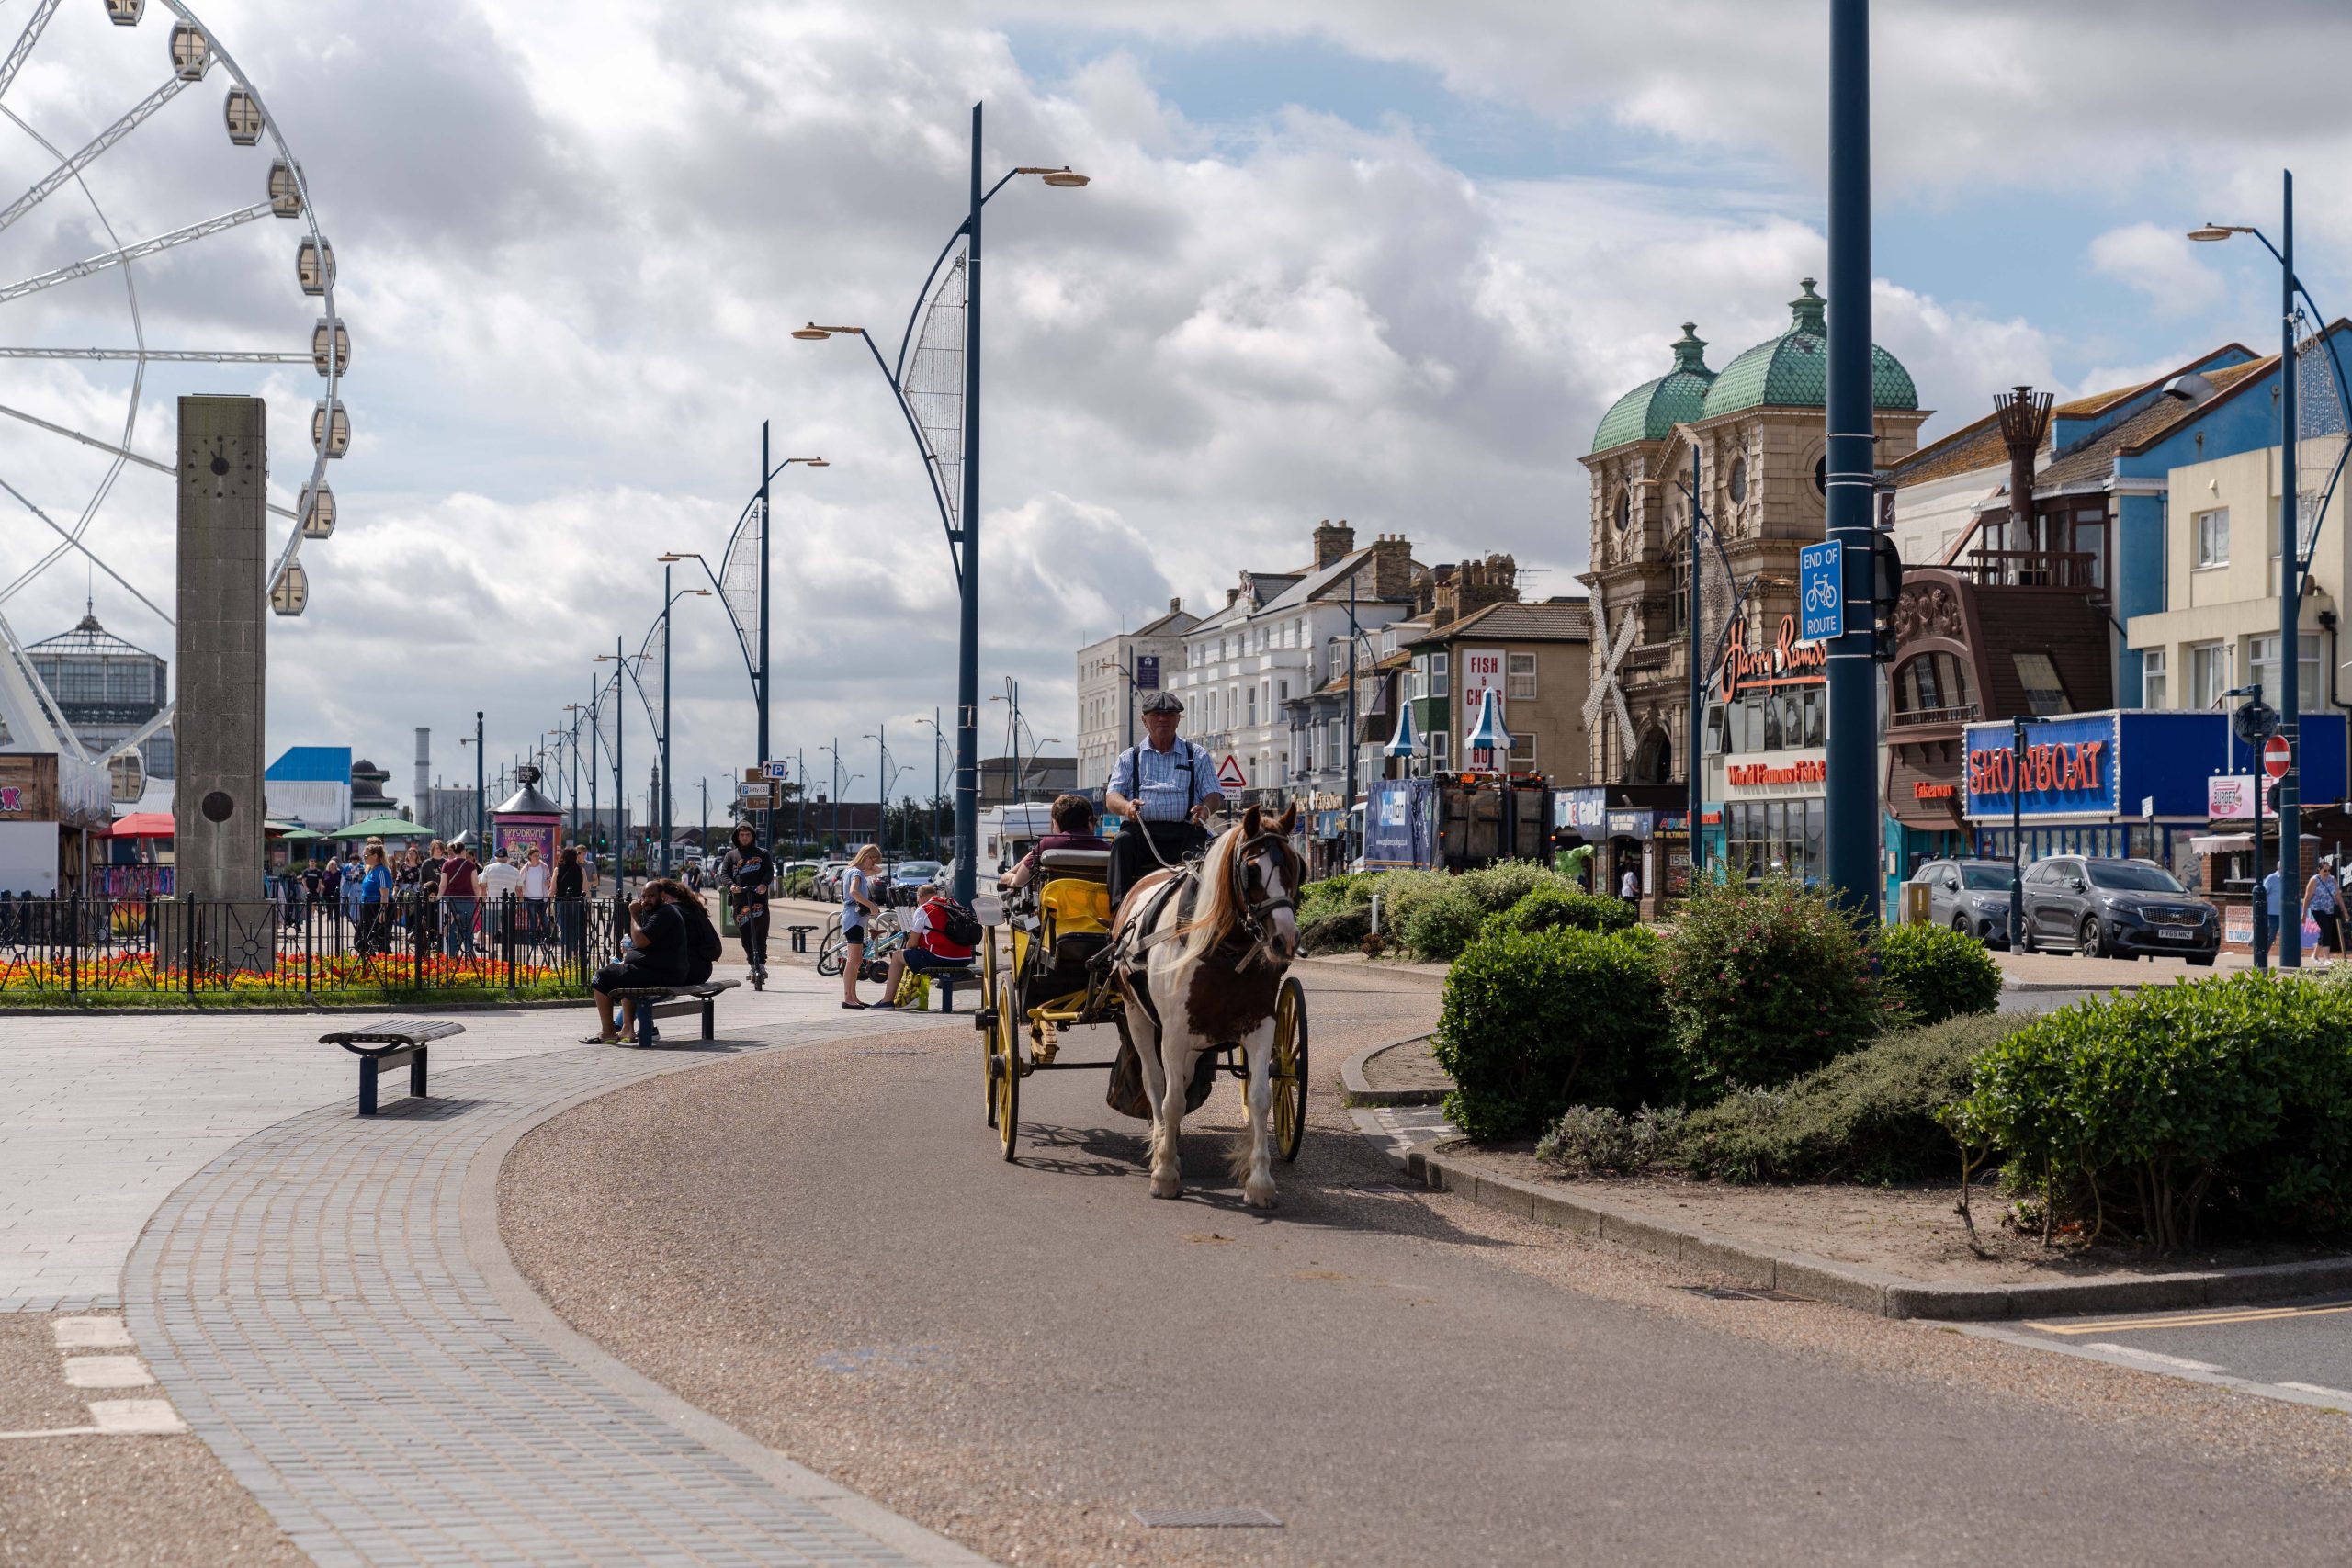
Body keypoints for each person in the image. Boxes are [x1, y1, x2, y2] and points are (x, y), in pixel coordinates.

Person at [1103, 691, 1223, 907]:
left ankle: (1206, 913)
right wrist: (1127, 806)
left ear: (1178, 720)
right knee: (1121, 843)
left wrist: (1205, 809)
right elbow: (1112, 796)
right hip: (1143, 833)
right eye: (1156, 714)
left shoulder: (1197, 755)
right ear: (1144, 720)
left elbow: (1213, 793)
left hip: (1185, 832)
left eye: (1169, 714)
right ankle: (1118, 911)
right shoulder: (1130, 757)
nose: (1162, 719)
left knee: (1212, 856)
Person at [585, 880, 690, 1044]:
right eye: (644, 896)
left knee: (600, 977)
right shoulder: (657, 912)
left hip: (661, 974)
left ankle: (608, 1032)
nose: (646, 900)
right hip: (659, 971)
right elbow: (642, 942)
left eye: (651, 896)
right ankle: (628, 1028)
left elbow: (641, 941)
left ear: (662, 897)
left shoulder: (664, 913)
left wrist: (633, 915)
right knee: (626, 975)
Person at [873, 883, 974, 1010]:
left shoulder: (925, 909)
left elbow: (912, 943)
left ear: (919, 898)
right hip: (964, 959)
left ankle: (887, 1001)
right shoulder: (953, 903)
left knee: (898, 956)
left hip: (939, 958)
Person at [998, 793, 1111, 891]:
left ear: (1056, 823)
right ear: (1090, 820)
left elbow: (1018, 882)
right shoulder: (1108, 849)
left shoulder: (1047, 846)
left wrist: (1010, 877)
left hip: (1056, 912)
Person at [718, 823, 775, 988]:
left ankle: (761, 964)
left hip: (759, 899)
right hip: (740, 900)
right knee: (745, 934)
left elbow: (769, 871)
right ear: (737, 837)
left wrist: (764, 884)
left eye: (747, 835)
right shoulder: (731, 855)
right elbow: (724, 874)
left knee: (760, 933)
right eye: (741, 835)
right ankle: (752, 964)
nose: (744, 837)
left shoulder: (762, 854)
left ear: (752, 836)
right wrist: (731, 885)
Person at [838, 842, 885, 1008]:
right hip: (854, 919)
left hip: (854, 919)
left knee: (857, 961)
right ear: (865, 857)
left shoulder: (853, 870)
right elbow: (853, 892)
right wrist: (870, 905)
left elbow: (878, 870)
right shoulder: (857, 873)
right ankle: (848, 998)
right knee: (853, 961)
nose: (874, 865)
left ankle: (853, 996)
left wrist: (870, 862)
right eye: (872, 861)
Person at [440, 843, 481, 958]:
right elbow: (475, 886)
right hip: (467, 900)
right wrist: (477, 899)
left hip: (451, 900)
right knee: (468, 929)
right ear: (463, 851)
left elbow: (443, 885)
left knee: (452, 928)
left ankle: (452, 956)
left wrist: (438, 898)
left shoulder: (446, 864)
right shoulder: (470, 865)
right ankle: (469, 954)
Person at [356, 845, 394, 956]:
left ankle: (382, 963)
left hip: (376, 908)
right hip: (367, 908)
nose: (364, 857)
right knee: (361, 939)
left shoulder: (381, 871)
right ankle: (371, 962)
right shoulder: (371, 870)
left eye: (366, 855)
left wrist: (382, 911)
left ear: (375, 856)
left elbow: (385, 893)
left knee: (379, 939)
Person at [481, 850, 524, 942]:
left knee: (489, 931)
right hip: (509, 905)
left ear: (496, 858)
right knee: (508, 930)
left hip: (491, 904)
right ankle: (507, 950)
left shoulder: (488, 868)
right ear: (507, 858)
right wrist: (520, 904)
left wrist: (482, 900)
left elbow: (483, 887)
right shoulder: (515, 871)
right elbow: (519, 890)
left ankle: (491, 948)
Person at [553, 843, 586, 957]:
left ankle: (565, 954)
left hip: (561, 902)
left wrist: (549, 905)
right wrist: (588, 904)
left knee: (564, 929)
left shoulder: (558, 869)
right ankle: (574, 954)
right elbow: (585, 890)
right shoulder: (580, 870)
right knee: (575, 929)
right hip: (576, 903)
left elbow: (552, 889)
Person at [2307, 857, 2343, 961]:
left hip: (2330, 909)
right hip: (2317, 909)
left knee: (2325, 931)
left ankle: (2315, 955)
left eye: (2329, 870)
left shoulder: (2332, 879)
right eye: (2325, 870)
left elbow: (2338, 896)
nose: (2327, 872)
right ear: (2319, 870)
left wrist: (2344, 911)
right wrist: (2304, 914)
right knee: (2326, 930)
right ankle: (2327, 958)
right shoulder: (2314, 880)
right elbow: (2307, 897)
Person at [520, 845, 551, 940]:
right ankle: (532, 941)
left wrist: (548, 881)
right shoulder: (525, 868)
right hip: (530, 898)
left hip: (542, 897)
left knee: (544, 919)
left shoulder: (544, 866)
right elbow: (519, 881)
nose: (537, 857)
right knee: (532, 920)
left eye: (538, 855)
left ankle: (547, 938)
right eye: (535, 855)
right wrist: (521, 894)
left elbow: (549, 878)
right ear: (530, 856)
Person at [2256, 864, 2283, 969]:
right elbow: (2263, 893)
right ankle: (2263, 955)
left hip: (2285, 914)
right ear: (2279, 867)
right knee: (2270, 936)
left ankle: (2284, 959)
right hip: (2272, 913)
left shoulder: (2288, 878)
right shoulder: (2271, 878)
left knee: (2285, 937)